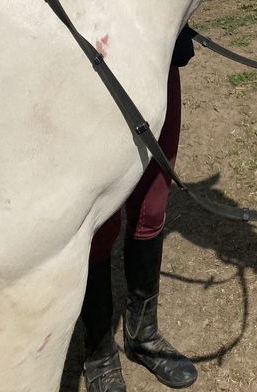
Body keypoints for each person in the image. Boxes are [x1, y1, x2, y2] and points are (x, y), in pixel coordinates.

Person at [81, 26, 198, 391]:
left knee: (152, 205)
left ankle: (142, 335)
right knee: (99, 221)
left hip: (159, 56)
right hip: (97, 63)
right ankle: (98, 351)